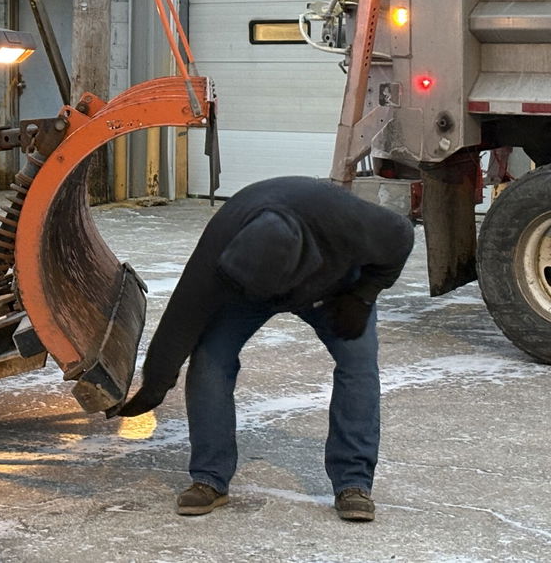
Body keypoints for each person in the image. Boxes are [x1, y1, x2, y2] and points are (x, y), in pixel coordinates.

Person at [114, 176, 414, 522]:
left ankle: (353, 482)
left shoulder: (348, 220)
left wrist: (362, 296)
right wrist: (154, 387)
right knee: (211, 357)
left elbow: (402, 237)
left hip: (334, 288)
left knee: (358, 364)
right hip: (244, 292)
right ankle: (209, 478)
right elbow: (181, 319)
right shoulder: (222, 246)